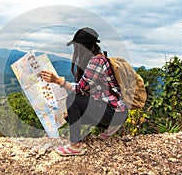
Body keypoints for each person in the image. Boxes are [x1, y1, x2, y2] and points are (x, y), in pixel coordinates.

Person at [40, 27, 128, 156]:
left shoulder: (96, 61)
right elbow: (87, 92)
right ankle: (109, 127)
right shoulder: (98, 59)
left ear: (82, 47)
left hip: (115, 112)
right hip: (114, 112)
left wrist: (58, 81)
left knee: (72, 99)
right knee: (70, 116)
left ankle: (75, 146)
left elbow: (80, 89)